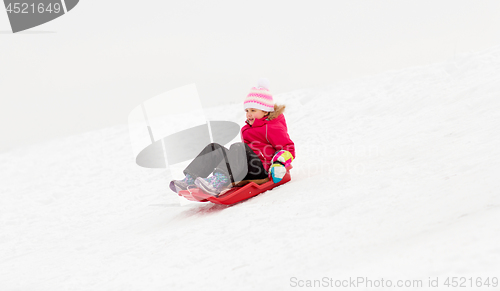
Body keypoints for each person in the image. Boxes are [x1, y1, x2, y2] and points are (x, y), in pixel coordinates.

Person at [169, 78, 296, 196]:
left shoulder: (273, 127)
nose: (248, 114)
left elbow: (288, 148)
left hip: (262, 170)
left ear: (265, 111)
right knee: (214, 148)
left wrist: (278, 164)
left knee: (239, 147)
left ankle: (218, 181)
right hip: (246, 169)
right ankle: (189, 179)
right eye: (247, 111)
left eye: (253, 110)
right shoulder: (247, 128)